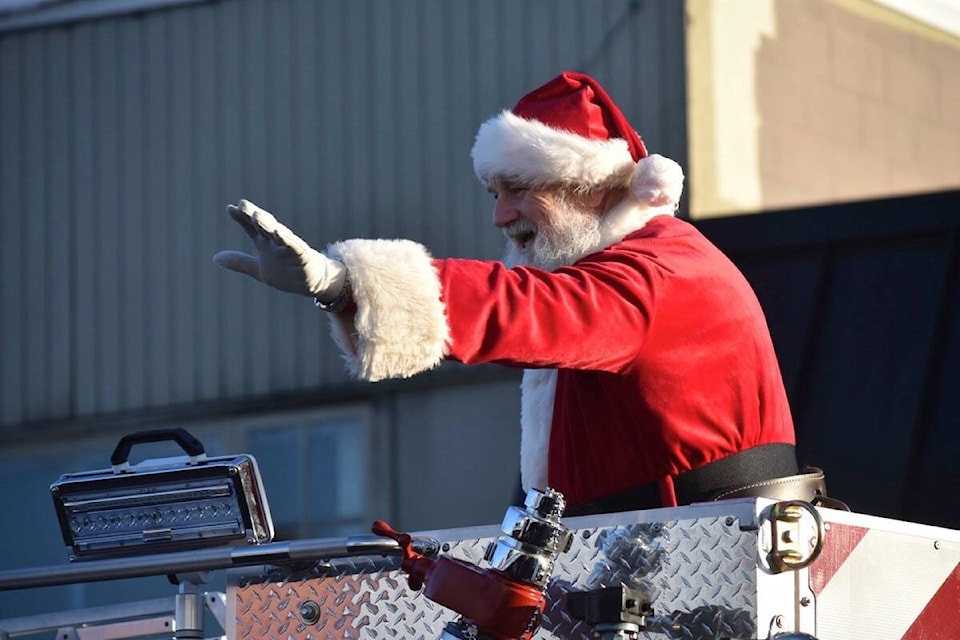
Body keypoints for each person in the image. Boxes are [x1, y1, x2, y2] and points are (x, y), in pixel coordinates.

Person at [214, 71, 824, 516]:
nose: (500, 217)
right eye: (493, 194)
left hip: (707, 570)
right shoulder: (625, 267)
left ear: (591, 186)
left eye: (519, 190)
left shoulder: (664, 272)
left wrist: (345, 283)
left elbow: (526, 309)